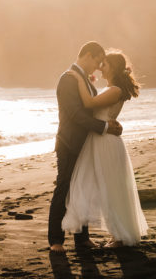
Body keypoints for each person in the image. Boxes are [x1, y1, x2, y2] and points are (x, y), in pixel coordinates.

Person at [61, 50, 148, 247]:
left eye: (104, 64)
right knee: (95, 186)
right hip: (99, 140)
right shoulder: (111, 88)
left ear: (114, 68)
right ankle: (112, 235)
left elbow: (89, 103)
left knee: (111, 190)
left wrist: (79, 78)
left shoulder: (115, 90)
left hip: (106, 143)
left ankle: (119, 236)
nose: (101, 67)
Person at [48, 42, 123, 253]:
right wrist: (105, 127)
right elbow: (75, 115)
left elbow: (92, 107)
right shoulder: (68, 78)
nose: (98, 67)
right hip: (69, 143)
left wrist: (109, 121)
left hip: (86, 144)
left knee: (83, 190)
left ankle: (82, 239)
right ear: (88, 56)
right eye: (97, 61)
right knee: (63, 188)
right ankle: (56, 241)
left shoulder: (83, 80)